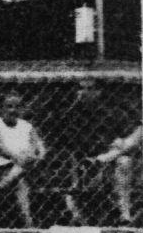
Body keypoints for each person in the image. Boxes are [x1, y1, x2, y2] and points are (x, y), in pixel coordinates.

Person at [53, 78, 137, 224]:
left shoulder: (111, 113)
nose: (84, 93)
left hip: (107, 161)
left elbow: (128, 138)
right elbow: (71, 147)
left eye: (90, 88)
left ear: (98, 92)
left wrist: (113, 151)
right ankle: (79, 218)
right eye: (81, 88)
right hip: (83, 164)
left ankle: (124, 214)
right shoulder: (71, 115)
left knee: (124, 161)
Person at [0, 92, 47, 228]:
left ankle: (11, 178)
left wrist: (34, 155)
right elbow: (1, 149)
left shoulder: (27, 126)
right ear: (1, 108)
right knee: (21, 182)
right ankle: (29, 224)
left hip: (28, 166)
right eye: (9, 106)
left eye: (17, 107)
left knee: (24, 173)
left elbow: (38, 146)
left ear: (21, 109)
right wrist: (20, 158)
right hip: (1, 170)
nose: (13, 110)